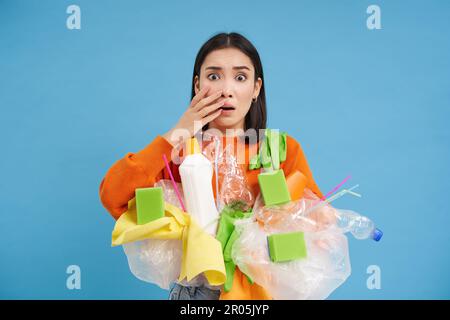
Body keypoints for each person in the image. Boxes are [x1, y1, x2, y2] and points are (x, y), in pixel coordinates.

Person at [99, 32, 323, 300]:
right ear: (197, 86)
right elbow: (113, 196)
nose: (226, 89)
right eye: (214, 76)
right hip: (197, 293)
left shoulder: (280, 151)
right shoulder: (179, 153)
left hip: (261, 294)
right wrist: (178, 133)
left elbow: (318, 223)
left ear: (255, 88)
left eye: (240, 77)